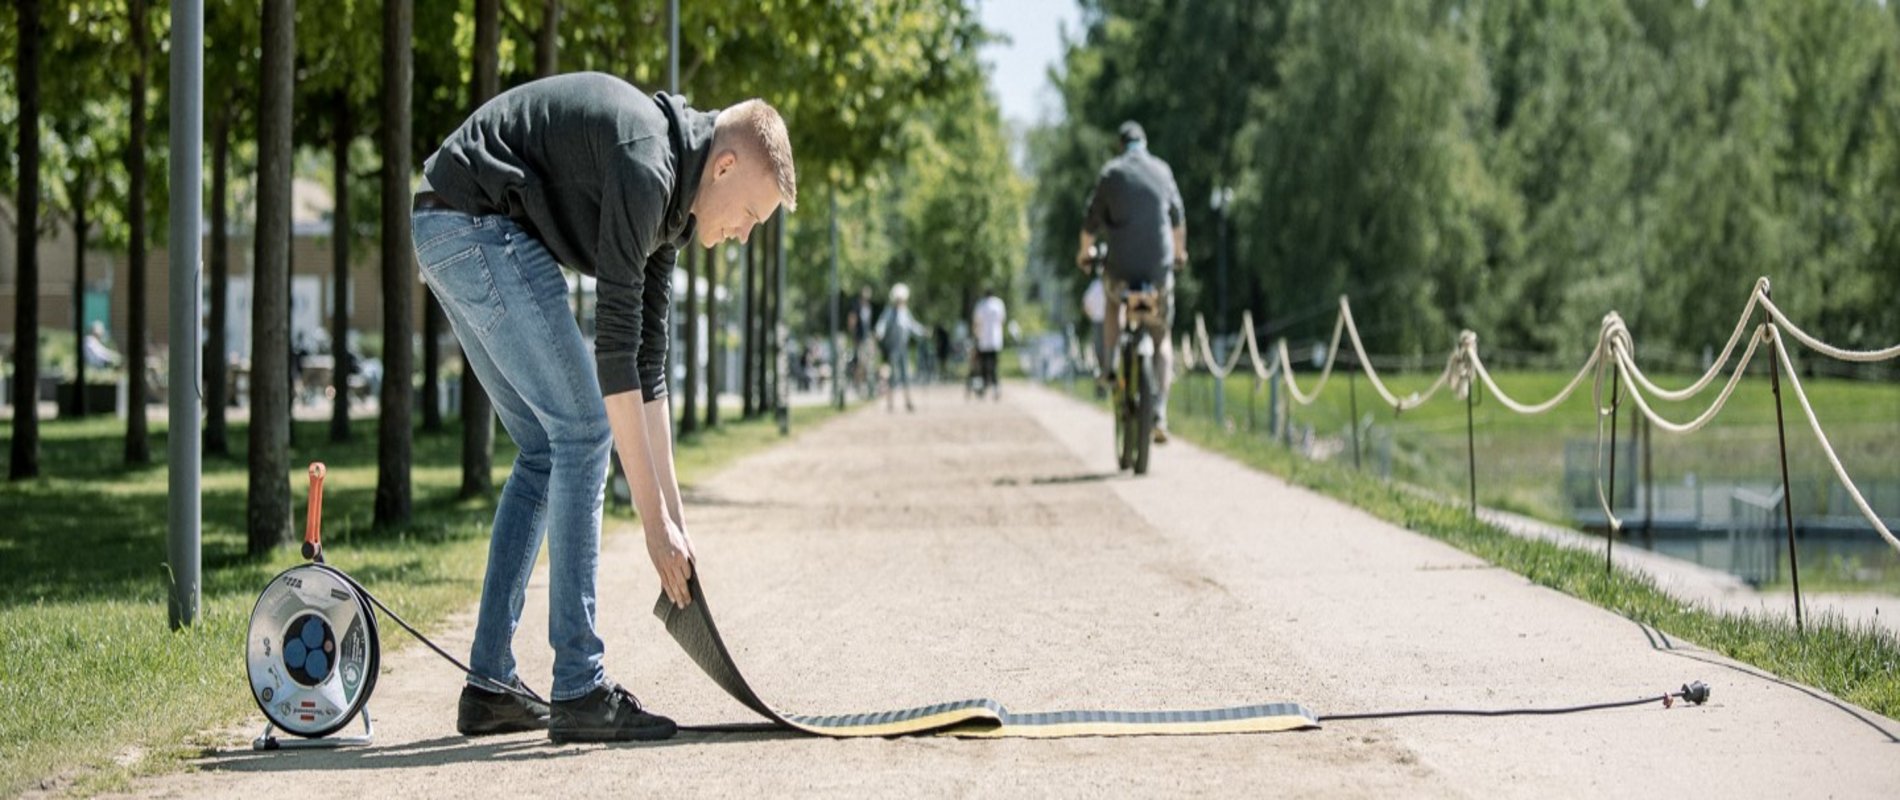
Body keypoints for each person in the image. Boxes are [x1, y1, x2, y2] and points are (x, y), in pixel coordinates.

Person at [413, 71, 796, 743]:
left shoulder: (672, 205)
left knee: (546, 449)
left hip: (449, 225)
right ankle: (580, 686)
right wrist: (651, 527)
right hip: (474, 226)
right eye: (751, 216)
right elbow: (613, 354)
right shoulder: (647, 164)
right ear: (726, 165)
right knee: (585, 432)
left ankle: (489, 686)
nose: (743, 236)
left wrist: (675, 521)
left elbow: (648, 368)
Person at [1077, 120, 1185, 443]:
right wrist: (1179, 254)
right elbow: (1178, 220)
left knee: (1112, 303)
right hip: (1157, 275)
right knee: (1161, 337)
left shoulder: (1111, 174)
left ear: (1120, 145)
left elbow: (1089, 224)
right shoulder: (1163, 171)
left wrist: (1084, 255)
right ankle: (1161, 411)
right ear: (1145, 143)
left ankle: (1109, 366)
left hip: (1121, 272)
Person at [874, 283, 928, 412]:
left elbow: (912, 326)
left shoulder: (905, 312)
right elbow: (881, 324)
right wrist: (879, 333)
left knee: (905, 376)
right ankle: (890, 403)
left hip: (903, 348)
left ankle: (908, 401)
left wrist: (922, 332)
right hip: (893, 348)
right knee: (893, 376)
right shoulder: (889, 311)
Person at [970, 286, 1006, 400]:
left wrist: (975, 335)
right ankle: (995, 387)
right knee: (994, 365)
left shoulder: (980, 305)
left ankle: (984, 387)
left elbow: (976, 322)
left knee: (984, 365)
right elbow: (1002, 320)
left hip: (983, 340)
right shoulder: (999, 304)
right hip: (995, 340)